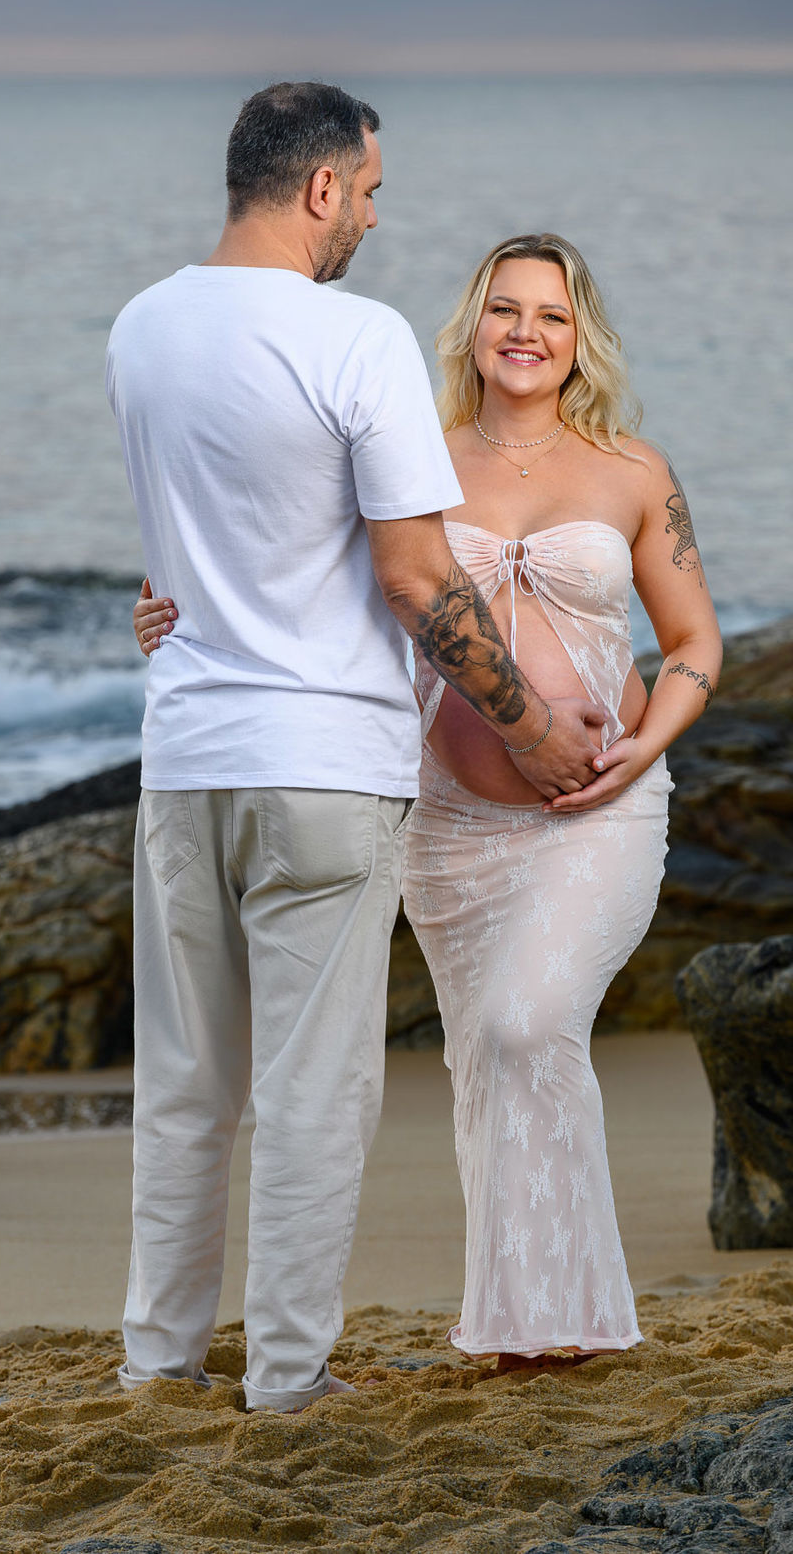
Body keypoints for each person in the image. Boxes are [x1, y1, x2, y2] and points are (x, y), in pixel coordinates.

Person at [135, 229, 722, 1373]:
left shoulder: (634, 471)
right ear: (473, 325)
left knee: (528, 1024)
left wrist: (645, 746)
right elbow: (281, 571)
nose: (524, 332)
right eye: (505, 308)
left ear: (582, 338)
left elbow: (695, 640)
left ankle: (556, 1312)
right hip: (451, 827)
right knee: (487, 1054)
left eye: (550, 315)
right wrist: (167, 607)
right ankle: (532, 1326)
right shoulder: (415, 460)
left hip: (601, 813)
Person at [108, 87, 605, 1415]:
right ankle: (287, 1376)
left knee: (185, 1082)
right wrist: (530, 726)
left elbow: (188, 546)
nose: (375, 219)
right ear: (322, 187)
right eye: (371, 192)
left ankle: (157, 1362)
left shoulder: (141, 326)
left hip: (184, 756)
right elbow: (416, 576)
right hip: (323, 762)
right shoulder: (358, 337)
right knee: (313, 1089)